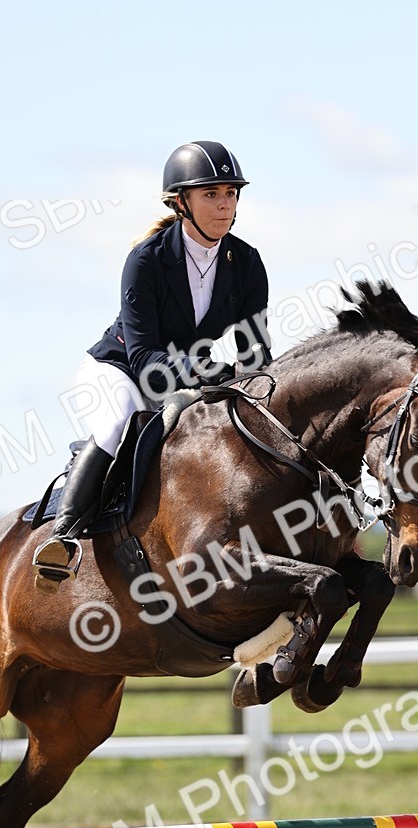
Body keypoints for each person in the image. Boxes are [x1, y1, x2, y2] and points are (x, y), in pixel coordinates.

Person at [33, 139, 272, 592]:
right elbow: (144, 358)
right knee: (117, 424)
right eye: (211, 195)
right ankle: (62, 539)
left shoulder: (246, 263)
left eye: (231, 194)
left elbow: (255, 353)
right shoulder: (146, 261)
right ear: (181, 202)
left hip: (185, 378)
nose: (225, 205)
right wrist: (207, 374)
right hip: (120, 371)